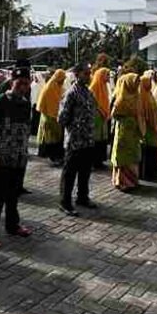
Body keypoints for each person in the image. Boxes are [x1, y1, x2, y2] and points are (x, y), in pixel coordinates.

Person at [0, 65, 33, 251]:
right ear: (12, 82)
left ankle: (13, 225)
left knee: (14, 195)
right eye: (19, 83)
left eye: (26, 84)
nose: (22, 87)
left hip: (19, 157)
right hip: (1, 157)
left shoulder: (26, 103)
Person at [58, 63, 98, 216]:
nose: (89, 76)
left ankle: (82, 197)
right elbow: (62, 118)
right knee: (69, 172)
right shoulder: (71, 93)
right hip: (75, 140)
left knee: (85, 171)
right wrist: (75, 127)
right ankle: (65, 202)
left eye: (90, 73)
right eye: (86, 73)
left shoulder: (87, 92)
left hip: (87, 139)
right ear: (77, 74)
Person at [110, 73, 143, 191]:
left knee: (133, 155)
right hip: (124, 131)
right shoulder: (122, 98)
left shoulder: (137, 96)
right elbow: (114, 114)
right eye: (135, 82)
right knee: (123, 156)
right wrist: (125, 120)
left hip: (133, 132)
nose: (137, 85)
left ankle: (132, 180)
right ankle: (122, 181)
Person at [36, 69, 67, 167]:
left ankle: (56, 156)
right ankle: (53, 157)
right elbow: (44, 104)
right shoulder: (50, 87)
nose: (63, 81)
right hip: (48, 116)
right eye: (62, 79)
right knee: (50, 137)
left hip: (56, 116)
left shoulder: (59, 87)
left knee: (57, 137)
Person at [138, 71, 157, 182]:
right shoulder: (141, 97)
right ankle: (145, 173)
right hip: (146, 128)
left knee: (152, 150)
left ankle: (152, 171)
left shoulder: (149, 94)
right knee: (146, 150)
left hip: (152, 128)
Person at [90, 67, 111, 169]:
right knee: (96, 139)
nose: (109, 77)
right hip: (96, 116)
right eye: (107, 74)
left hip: (103, 116)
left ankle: (100, 161)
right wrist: (101, 111)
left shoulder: (104, 86)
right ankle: (94, 161)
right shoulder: (94, 86)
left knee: (102, 139)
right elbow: (93, 102)